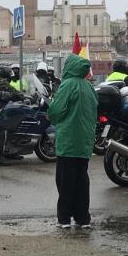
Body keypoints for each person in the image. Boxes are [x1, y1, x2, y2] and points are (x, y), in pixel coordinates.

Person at [48, 54, 98, 228]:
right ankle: (82, 218)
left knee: (65, 180)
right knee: (82, 179)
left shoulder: (67, 85)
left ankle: (64, 218)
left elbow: (56, 110)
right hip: (85, 141)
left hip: (68, 140)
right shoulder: (89, 87)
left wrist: (52, 116)